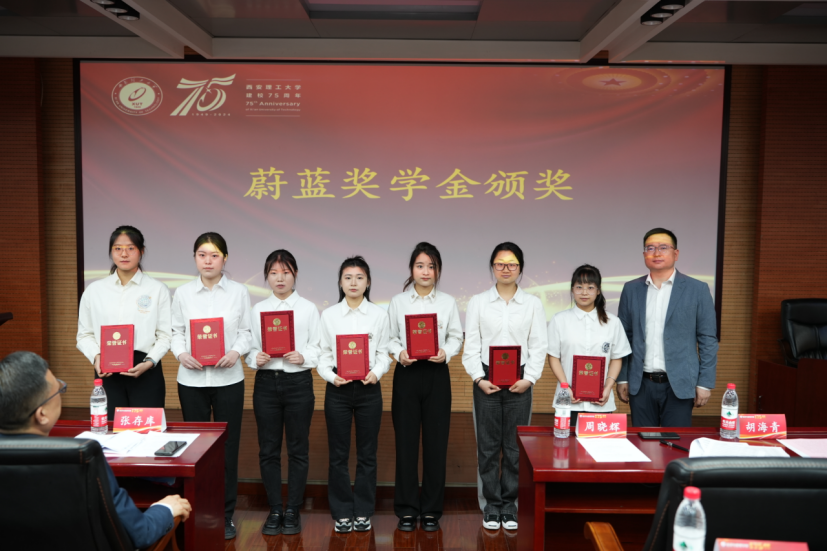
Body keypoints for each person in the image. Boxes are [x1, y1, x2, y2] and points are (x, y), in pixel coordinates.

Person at [0, 351, 191, 549]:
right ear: (42, 414)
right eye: (59, 390)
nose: (60, 394)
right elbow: (140, 533)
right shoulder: (82, 457)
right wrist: (165, 508)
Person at [171, 232, 252, 540]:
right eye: (202, 255)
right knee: (195, 447)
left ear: (225, 258)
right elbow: (176, 331)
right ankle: (198, 510)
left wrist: (235, 352)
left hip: (228, 379)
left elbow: (246, 332)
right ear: (195, 258)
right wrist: (182, 354)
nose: (208, 261)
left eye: (214, 255)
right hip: (191, 380)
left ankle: (225, 513)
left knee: (227, 448)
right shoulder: (182, 293)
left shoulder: (239, 292)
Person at [462, 242, 547, 532]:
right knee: (487, 447)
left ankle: (510, 505)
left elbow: (539, 345)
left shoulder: (532, 304)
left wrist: (530, 378)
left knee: (514, 448)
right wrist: (478, 378)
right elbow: (471, 346)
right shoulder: (478, 302)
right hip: (486, 377)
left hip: (520, 379)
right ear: (492, 267)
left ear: (520, 268)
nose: (506, 269)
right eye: (500, 263)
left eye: (512, 264)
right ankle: (491, 505)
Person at [387, 242, 463, 533]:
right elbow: (390, 337)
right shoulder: (398, 302)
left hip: (436, 374)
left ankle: (431, 509)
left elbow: (456, 336)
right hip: (407, 373)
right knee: (406, 444)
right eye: (420, 265)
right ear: (412, 269)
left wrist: (446, 352)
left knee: (435, 444)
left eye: (431, 266)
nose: (426, 271)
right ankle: (407, 509)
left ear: (438, 270)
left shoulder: (448, 302)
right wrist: (399, 353)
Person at [246, 250, 320, 536]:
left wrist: (304, 357)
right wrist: (255, 358)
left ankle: (293, 509)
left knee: (298, 450)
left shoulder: (308, 308)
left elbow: (318, 347)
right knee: (268, 450)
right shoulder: (258, 309)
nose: (280, 278)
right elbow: (250, 346)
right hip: (266, 383)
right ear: (267, 276)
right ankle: (275, 508)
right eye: (274, 273)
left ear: (295, 274)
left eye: (286, 272)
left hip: (298, 383)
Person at [317, 256, 390, 534]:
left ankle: (363, 511)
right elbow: (323, 354)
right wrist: (330, 376)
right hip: (338, 388)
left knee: (367, 453)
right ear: (340, 282)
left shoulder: (379, 315)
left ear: (368, 282)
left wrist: (377, 372)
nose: (353, 283)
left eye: (359, 278)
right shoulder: (329, 315)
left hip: (369, 388)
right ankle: (341, 512)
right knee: (338, 453)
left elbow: (383, 354)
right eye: (348, 277)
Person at [616, 228, 718, 427]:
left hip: (680, 383)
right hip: (641, 383)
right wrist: (622, 378)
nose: (656, 253)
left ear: (676, 254)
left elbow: (707, 339)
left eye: (663, 247)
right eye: (650, 248)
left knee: (675, 441)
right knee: (643, 441)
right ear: (644, 254)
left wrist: (705, 382)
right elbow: (623, 337)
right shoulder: (631, 289)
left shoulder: (697, 289)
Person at [77, 225, 172, 419]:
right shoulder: (94, 291)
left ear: (141, 251)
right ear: (111, 252)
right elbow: (84, 335)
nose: (124, 254)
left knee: (147, 430)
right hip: (107, 371)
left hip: (145, 369)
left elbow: (165, 335)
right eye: (117, 248)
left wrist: (149, 362)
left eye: (130, 248)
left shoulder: (157, 289)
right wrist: (96, 357)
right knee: (111, 431)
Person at [547, 265, 632, 429]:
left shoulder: (613, 322)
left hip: (601, 401)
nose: (584, 292)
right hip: (568, 401)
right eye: (579, 287)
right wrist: (565, 387)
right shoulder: (559, 320)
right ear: (572, 289)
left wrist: (608, 387)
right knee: (566, 443)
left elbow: (617, 357)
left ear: (598, 291)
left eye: (590, 287)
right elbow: (553, 356)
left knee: (599, 443)